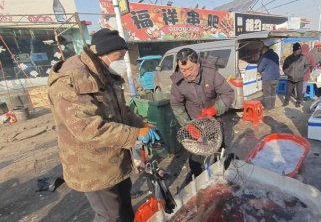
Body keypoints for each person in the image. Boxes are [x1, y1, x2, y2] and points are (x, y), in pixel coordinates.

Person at [47, 28, 159, 222]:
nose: (122, 61)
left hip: (114, 158)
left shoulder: (105, 73)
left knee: (124, 207)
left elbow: (122, 111)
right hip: (93, 165)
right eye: (119, 56)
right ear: (101, 53)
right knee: (110, 215)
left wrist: (144, 126)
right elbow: (86, 127)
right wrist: (135, 135)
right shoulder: (72, 78)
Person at [170, 48, 234, 178]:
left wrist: (214, 109)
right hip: (194, 123)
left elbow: (228, 94)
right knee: (195, 157)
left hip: (215, 121)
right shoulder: (177, 81)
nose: (187, 73)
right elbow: (176, 105)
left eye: (190, 69)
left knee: (217, 152)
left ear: (198, 63)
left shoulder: (211, 73)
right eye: (183, 70)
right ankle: (197, 178)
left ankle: (218, 176)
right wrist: (188, 125)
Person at [282, 43, 310, 107]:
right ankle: (286, 102)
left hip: (300, 77)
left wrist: (303, 72)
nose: (299, 51)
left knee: (299, 91)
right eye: (298, 50)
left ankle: (298, 103)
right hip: (291, 78)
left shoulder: (303, 57)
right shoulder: (289, 58)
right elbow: (284, 68)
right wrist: (289, 74)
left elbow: (307, 65)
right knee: (288, 91)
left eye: (300, 50)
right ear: (294, 50)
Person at [257, 45, 280, 110]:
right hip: (276, 77)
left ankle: (268, 107)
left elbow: (259, 68)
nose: (261, 52)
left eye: (261, 51)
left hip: (268, 77)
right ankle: (272, 107)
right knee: (273, 93)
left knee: (267, 93)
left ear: (264, 50)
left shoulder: (265, 57)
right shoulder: (275, 55)